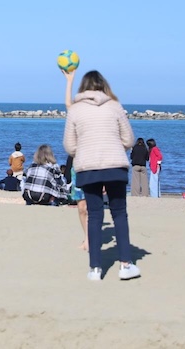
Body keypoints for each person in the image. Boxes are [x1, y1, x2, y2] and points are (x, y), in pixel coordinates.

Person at [63, 70, 139, 281]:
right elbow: (129, 139)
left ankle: (95, 268)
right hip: (115, 166)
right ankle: (125, 265)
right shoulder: (115, 106)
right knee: (119, 214)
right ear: (104, 86)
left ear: (83, 88)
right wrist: (115, 146)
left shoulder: (75, 110)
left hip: (87, 168)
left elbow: (69, 146)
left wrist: (85, 149)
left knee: (95, 215)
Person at [63, 71, 88, 251]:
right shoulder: (76, 118)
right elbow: (67, 104)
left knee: (92, 207)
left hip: (93, 167)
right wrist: (69, 81)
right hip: (78, 168)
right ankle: (87, 238)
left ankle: (91, 237)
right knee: (81, 208)